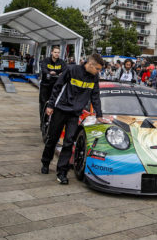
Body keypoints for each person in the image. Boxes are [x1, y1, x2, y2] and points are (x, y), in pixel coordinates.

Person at [41, 54, 108, 185]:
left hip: (75, 113)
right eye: (98, 69)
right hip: (61, 109)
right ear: (90, 64)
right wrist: (50, 105)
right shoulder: (71, 70)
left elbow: (95, 96)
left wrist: (99, 115)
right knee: (52, 138)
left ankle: (62, 172)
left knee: (69, 142)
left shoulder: (94, 78)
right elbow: (57, 86)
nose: (99, 72)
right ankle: (45, 162)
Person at [39, 46, 67, 132]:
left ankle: (51, 121)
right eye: (55, 52)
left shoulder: (61, 62)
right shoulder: (46, 61)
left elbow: (65, 70)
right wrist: (49, 73)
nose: (57, 54)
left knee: (55, 104)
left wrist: (59, 73)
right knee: (43, 104)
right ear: (52, 52)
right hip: (45, 86)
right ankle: (43, 122)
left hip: (56, 86)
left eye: (58, 52)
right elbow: (44, 69)